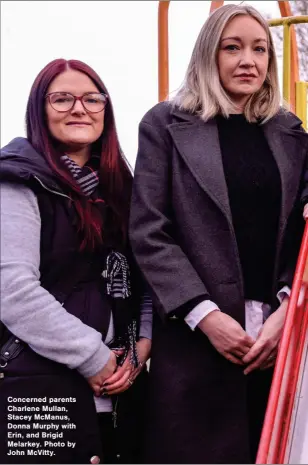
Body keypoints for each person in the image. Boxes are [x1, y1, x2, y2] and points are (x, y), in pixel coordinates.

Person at [129, 4, 308, 464]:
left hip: (275, 343)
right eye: (233, 48)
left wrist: (288, 311)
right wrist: (204, 315)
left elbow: (301, 235)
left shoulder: (291, 132)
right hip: (194, 341)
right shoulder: (164, 125)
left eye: (260, 49)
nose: (248, 60)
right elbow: (150, 230)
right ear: (209, 54)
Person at [0, 58, 152, 464]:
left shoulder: (123, 190)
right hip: (40, 391)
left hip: (122, 394)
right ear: (39, 109)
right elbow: (13, 291)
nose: (79, 108)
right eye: (62, 99)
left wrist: (141, 348)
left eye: (91, 98)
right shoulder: (17, 181)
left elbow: (146, 281)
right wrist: (94, 357)